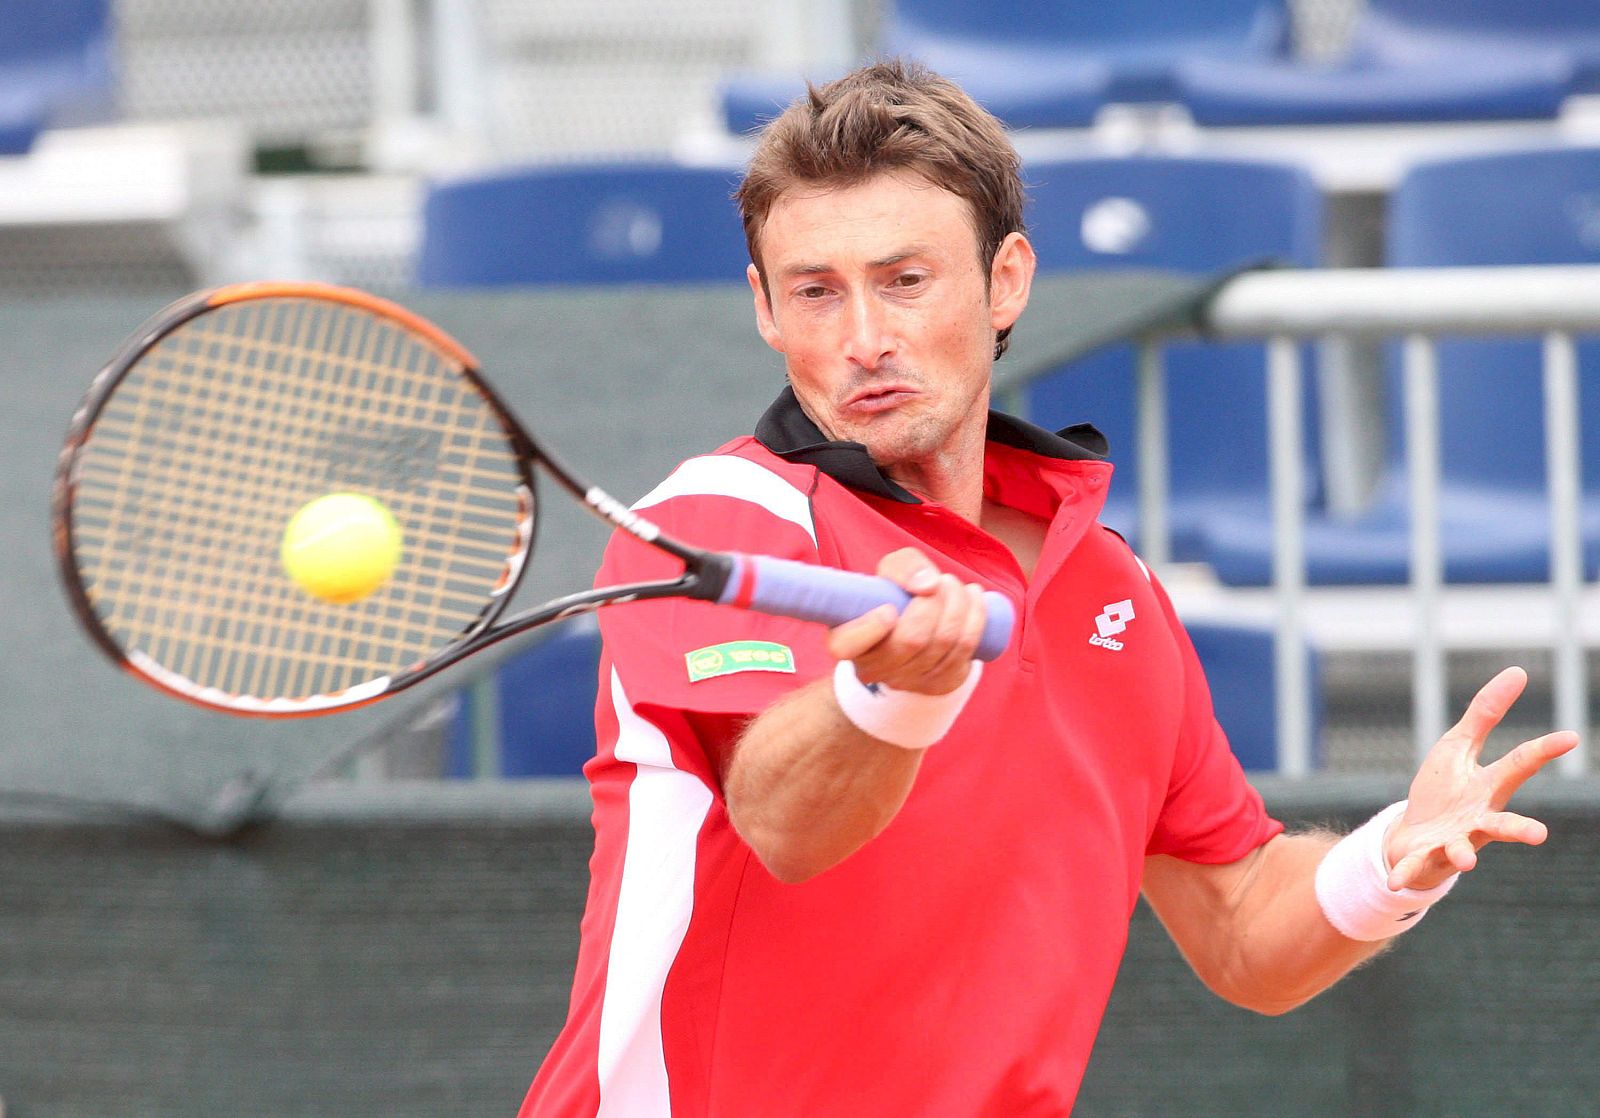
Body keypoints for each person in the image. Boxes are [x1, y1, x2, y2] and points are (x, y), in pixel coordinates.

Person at [518, 60, 1577, 1117]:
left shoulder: (1111, 587)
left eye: (904, 280)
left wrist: (1389, 861)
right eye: (815, 292)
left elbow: (1241, 923)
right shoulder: (717, 517)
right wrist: (889, 695)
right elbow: (785, 824)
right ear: (765, 307)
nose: (862, 340)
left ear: (1007, 281)